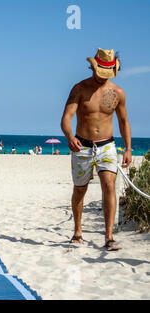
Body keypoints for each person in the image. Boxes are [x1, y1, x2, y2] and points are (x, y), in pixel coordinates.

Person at [60, 48, 132, 251]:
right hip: (82, 145)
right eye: (100, 73)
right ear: (93, 68)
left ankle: (108, 237)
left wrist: (128, 148)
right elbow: (66, 118)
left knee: (109, 185)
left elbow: (124, 121)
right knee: (80, 189)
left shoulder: (118, 93)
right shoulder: (79, 89)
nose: (102, 78)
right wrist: (70, 136)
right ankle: (77, 231)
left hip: (107, 146)